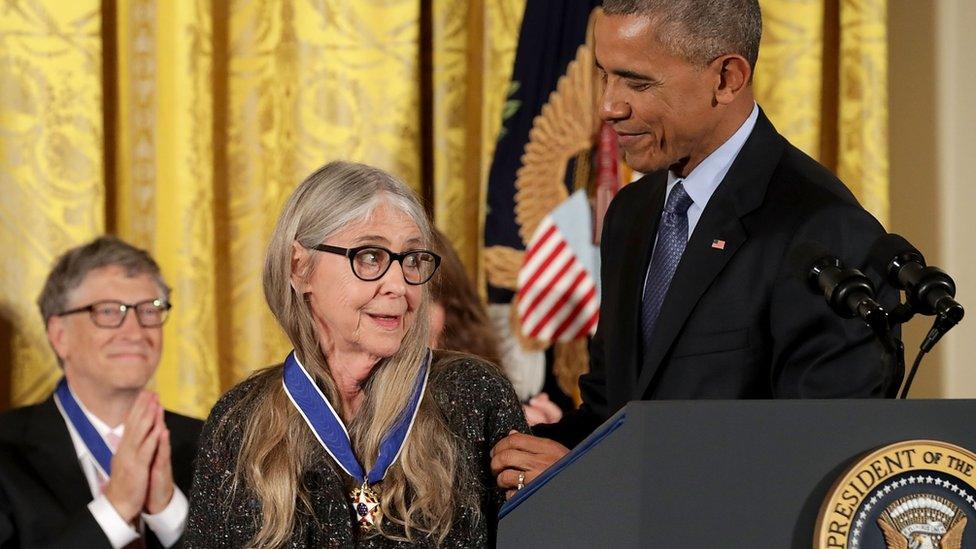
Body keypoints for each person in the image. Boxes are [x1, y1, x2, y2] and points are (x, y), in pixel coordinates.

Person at [492, 0, 900, 494]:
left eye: (637, 83)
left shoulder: (825, 231)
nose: (608, 107)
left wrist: (589, 479)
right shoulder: (631, 212)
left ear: (726, 78)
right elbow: (613, 413)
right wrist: (511, 453)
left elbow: (818, 461)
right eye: (604, 76)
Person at [185, 161, 527, 547]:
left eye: (413, 260)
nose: (398, 285)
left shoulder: (474, 395)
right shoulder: (241, 421)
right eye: (370, 257)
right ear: (299, 268)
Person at [0, 236, 203, 548]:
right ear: (59, 335)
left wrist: (168, 512)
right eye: (108, 312)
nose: (135, 332)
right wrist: (116, 508)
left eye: (149, 310)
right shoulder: (6, 450)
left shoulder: (213, 444)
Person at [427, 229, 562, 426]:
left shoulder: (480, 382)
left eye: (428, 297)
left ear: (449, 309)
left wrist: (547, 435)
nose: (405, 310)